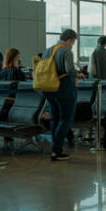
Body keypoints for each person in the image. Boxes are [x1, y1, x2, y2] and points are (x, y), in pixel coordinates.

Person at [42, 29, 79, 161]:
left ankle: (57, 149)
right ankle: (56, 150)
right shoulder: (66, 51)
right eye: (73, 42)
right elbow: (69, 69)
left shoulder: (48, 50)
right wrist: (78, 73)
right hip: (64, 88)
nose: (72, 45)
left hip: (49, 88)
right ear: (70, 40)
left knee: (55, 119)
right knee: (66, 119)